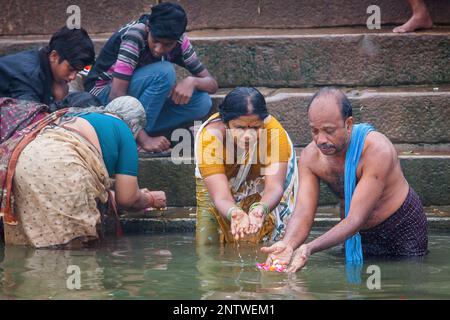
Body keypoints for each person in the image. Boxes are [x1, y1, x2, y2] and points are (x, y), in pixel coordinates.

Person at [262, 87, 428, 272]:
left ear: (348, 124)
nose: (321, 140)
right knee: (362, 287)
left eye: (329, 130)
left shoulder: (376, 150)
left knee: (407, 280)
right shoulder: (310, 157)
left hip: (400, 226)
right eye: (314, 131)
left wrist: (309, 248)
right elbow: (303, 213)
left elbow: (356, 218)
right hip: (355, 234)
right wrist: (288, 244)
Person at [1, 96, 166, 248]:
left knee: (33, 244)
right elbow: (127, 198)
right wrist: (150, 199)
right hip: (63, 168)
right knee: (74, 251)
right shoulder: (123, 129)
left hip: (22, 163)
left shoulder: (81, 117)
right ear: (135, 127)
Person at [85, 2, 218, 153]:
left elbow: (212, 84)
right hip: (103, 100)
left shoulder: (180, 42)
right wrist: (145, 140)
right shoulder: (135, 35)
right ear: (148, 28)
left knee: (202, 102)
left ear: (177, 38)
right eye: (155, 41)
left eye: (167, 45)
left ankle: (134, 132)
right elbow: (116, 95)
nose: (158, 49)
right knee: (164, 72)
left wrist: (192, 81)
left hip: (136, 103)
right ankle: (137, 138)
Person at [194, 87, 298, 245]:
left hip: (261, 181)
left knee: (272, 240)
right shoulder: (210, 139)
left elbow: (274, 188)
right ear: (226, 123)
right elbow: (220, 196)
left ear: (263, 122)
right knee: (206, 244)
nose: (248, 135)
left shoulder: (273, 133)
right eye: (240, 128)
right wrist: (234, 212)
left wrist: (261, 208)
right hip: (219, 185)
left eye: (255, 128)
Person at [0, 26, 97, 109]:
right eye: (71, 69)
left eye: (78, 71)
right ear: (54, 56)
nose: (73, 77)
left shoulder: (44, 62)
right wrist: (59, 102)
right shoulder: (29, 76)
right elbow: (30, 119)